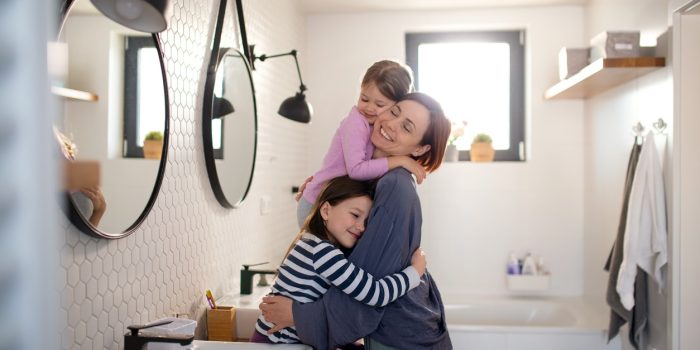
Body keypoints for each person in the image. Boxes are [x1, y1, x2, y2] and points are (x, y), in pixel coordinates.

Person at [260, 92, 453, 350]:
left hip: (402, 336)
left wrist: (299, 316)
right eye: (394, 111)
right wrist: (319, 186)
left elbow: (370, 285)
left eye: (407, 127)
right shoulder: (375, 174)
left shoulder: (395, 186)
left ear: (419, 148)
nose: (391, 124)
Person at [251, 176, 427, 345]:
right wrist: (414, 273)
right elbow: (376, 294)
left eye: (367, 222)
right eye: (355, 215)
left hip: (275, 340)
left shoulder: (309, 242)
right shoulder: (324, 253)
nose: (361, 227)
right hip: (276, 342)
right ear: (326, 210)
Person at [296, 60, 426, 227]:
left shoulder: (376, 128)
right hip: (316, 205)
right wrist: (401, 161)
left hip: (332, 204)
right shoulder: (356, 123)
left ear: (396, 106)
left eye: (380, 104)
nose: (369, 108)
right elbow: (356, 170)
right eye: (364, 99)